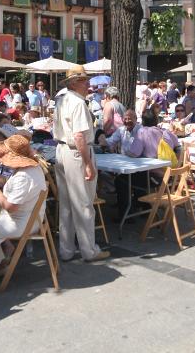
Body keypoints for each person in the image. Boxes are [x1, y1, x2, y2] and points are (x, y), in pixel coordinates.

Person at [52, 64, 108, 262]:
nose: (88, 84)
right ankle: (89, 250)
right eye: (85, 80)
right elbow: (78, 136)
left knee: (66, 205)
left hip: (62, 151)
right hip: (76, 153)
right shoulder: (77, 103)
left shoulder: (62, 99)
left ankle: (66, 250)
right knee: (83, 204)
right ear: (75, 83)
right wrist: (87, 163)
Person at [0, 135, 48, 277]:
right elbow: (23, 189)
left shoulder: (23, 176)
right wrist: (3, 181)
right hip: (33, 218)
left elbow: (10, 207)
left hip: (21, 223)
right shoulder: (33, 168)